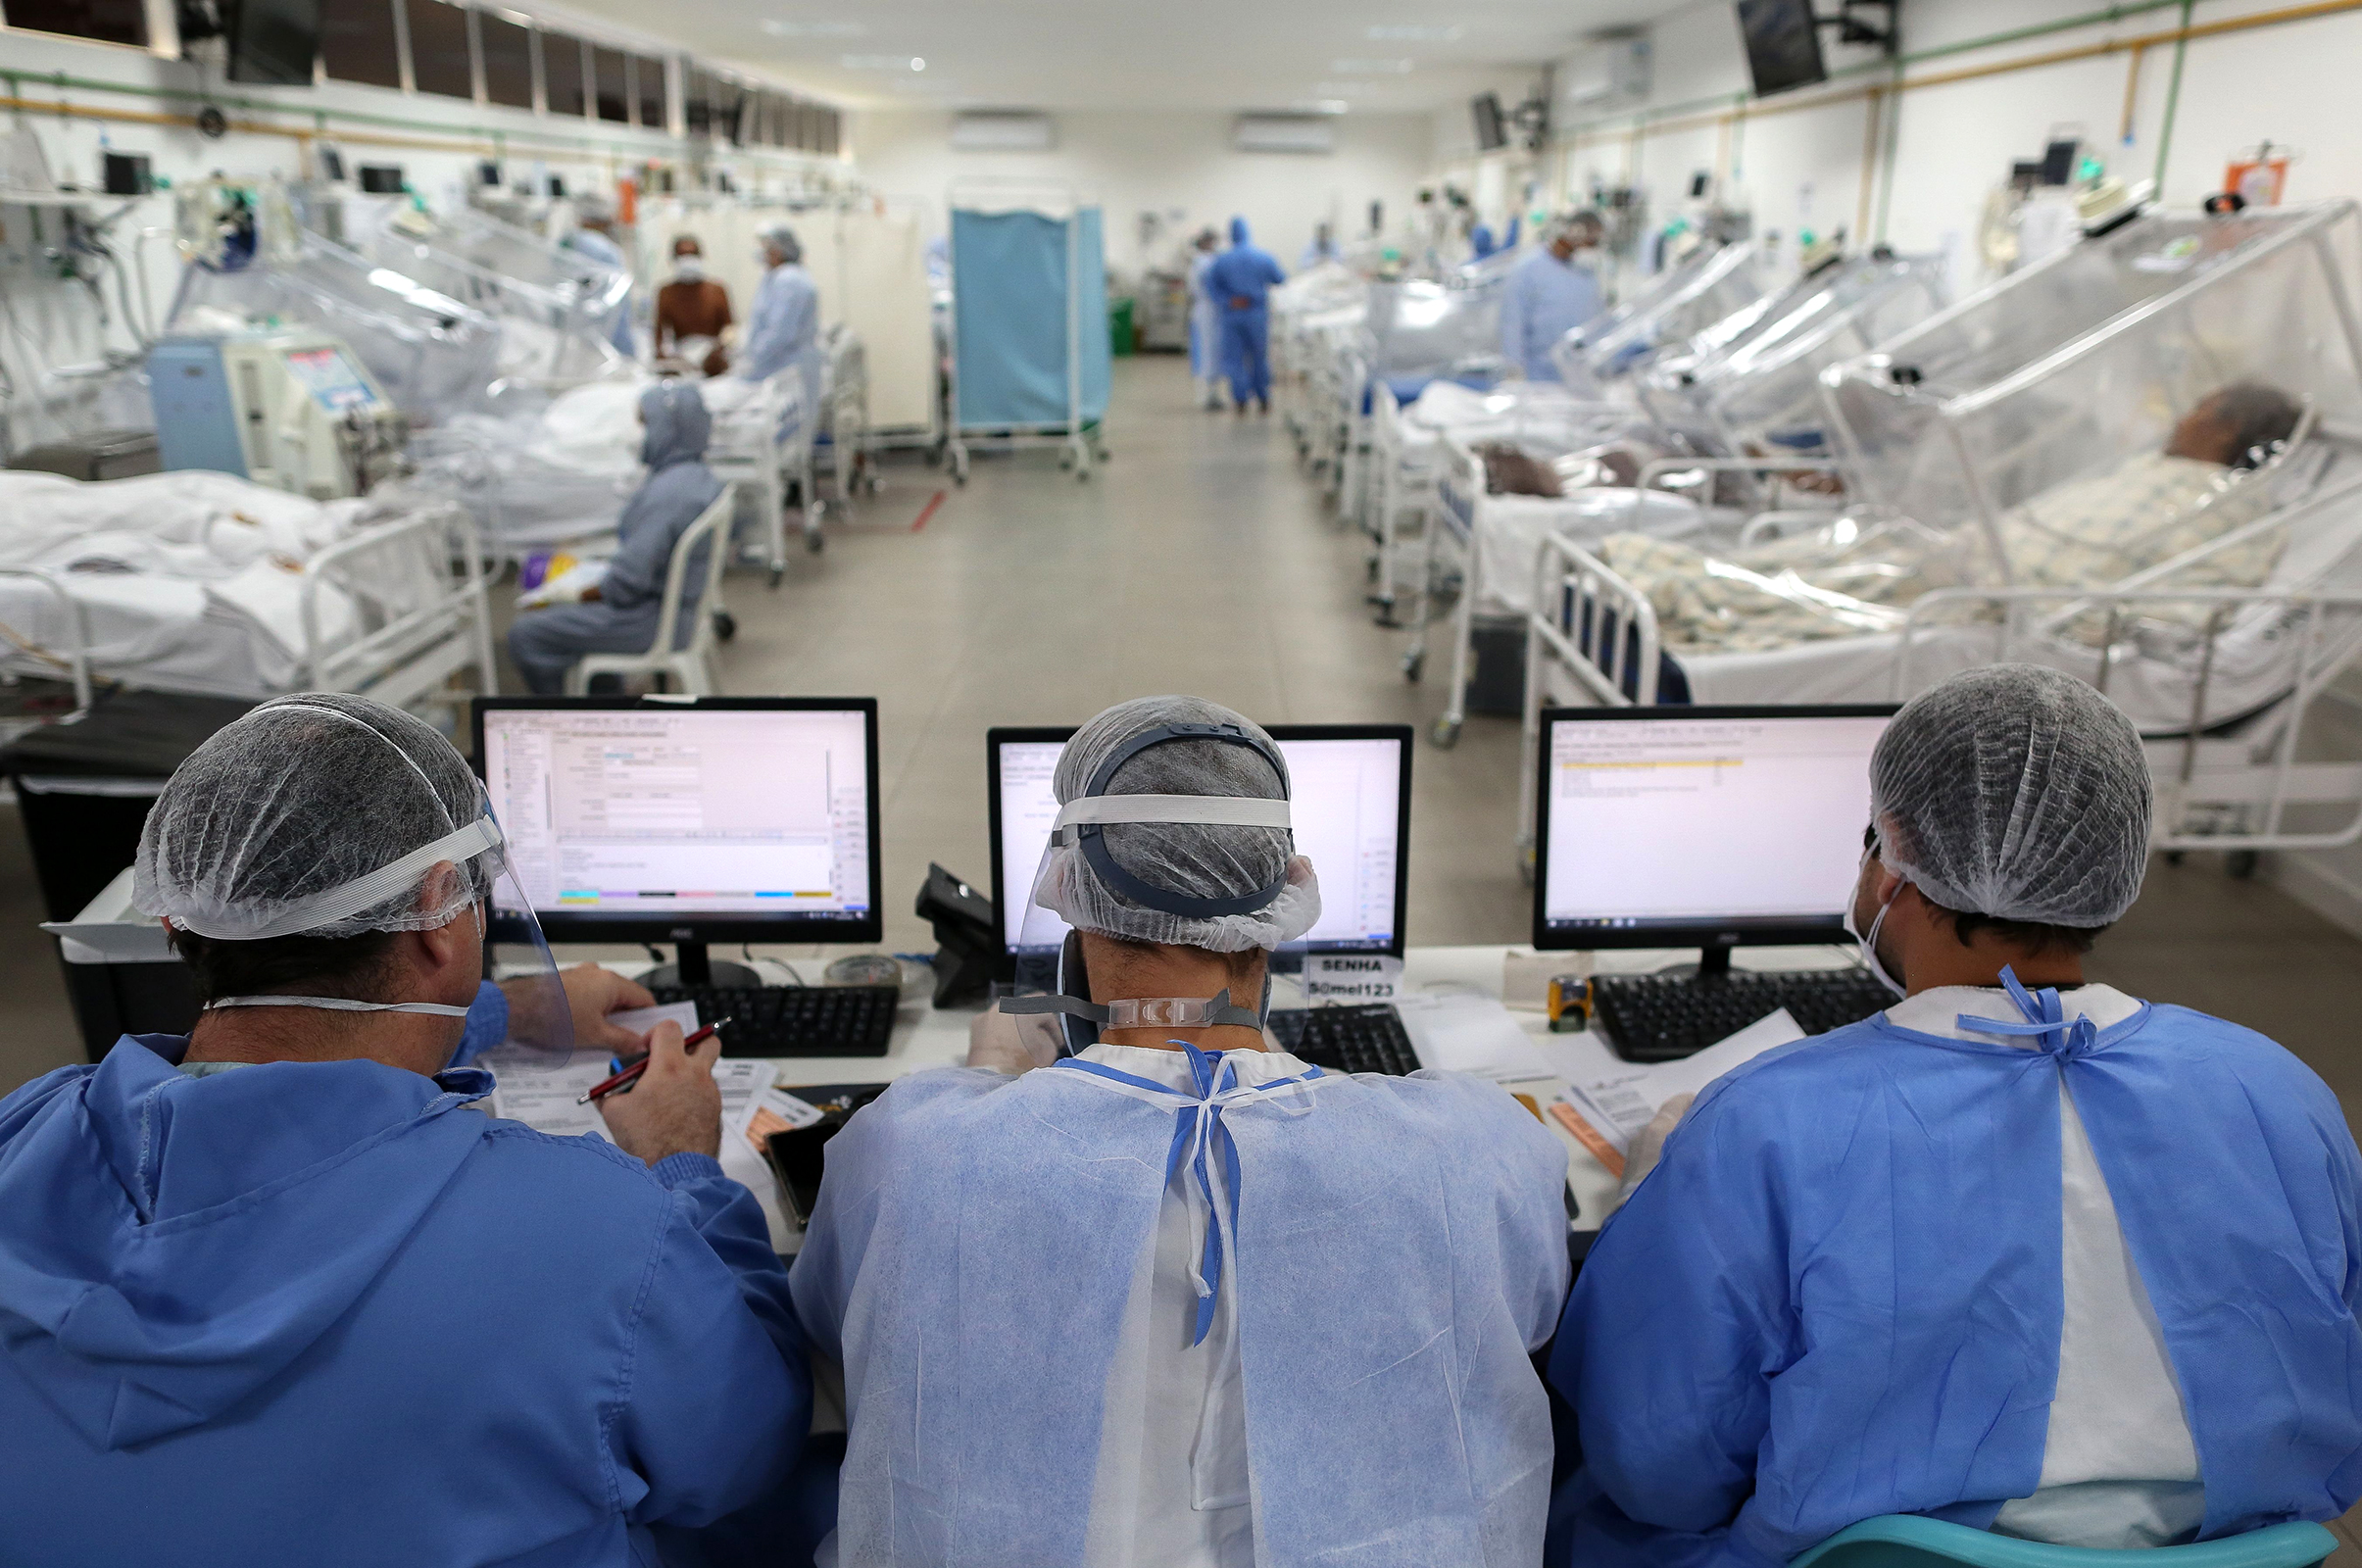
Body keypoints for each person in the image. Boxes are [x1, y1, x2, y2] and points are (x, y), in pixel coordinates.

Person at [1550, 664, 2362, 1568]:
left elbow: (1655, 1464)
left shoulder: (1761, 1125)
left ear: (1892, 850)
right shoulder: (2276, 1089)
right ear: (2112, 863)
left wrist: (1666, 1189)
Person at [0, 693, 812, 1566]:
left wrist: (503, 1012)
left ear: (181, 909)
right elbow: (746, 1456)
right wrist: (686, 1168)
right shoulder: (600, 1233)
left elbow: (288, 1060)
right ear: (439, 911)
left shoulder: (25, 1130)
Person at [791, 696, 1570, 1568]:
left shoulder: (910, 1151)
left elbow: (831, 1320)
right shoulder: (1477, 1149)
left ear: (1071, 900)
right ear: (1288, 893)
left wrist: (994, 1091)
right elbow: (1536, 1314)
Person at [509, 381, 722, 695]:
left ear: (667, 428)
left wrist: (576, 595)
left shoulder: (666, 496)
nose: (638, 436)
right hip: (678, 611)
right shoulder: (696, 476)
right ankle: (606, 697)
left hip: (650, 622)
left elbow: (627, 583)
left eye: (644, 425)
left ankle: (561, 718)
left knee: (527, 634)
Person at [1500, 211, 1605, 381]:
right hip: (1537, 377)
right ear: (1575, 234)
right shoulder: (1528, 271)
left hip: (1579, 378)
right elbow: (1512, 324)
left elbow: (1597, 321)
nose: (1594, 248)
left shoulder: (1586, 275)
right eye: (1592, 241)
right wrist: (1514, 369)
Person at [739, 220, 823, 423]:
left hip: (784, 368)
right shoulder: (782, 278)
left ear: (778, 251)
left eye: (767, 247)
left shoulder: (788, 280)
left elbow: (780, 333)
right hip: (784, 368)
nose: (763, 253)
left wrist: (751, 361)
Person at [1205, 217, 1287, 414]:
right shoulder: (1263, 257)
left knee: (1234, 358)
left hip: (1232, 314)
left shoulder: (1221, 261)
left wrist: (1227, 300)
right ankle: (1263, 398)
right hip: (1256, 314)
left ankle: (1240, 400)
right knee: (1259, 356)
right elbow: (1281, 279)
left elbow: (1210, 287)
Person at [566, 192, 637, 358]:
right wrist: (627, 352)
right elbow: (617, 307)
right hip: (603, 344)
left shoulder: (567, 242)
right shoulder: (606, 251)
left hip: (571, 342)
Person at [654, 232, 734, 376]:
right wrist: (664, 355)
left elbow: (729, 329)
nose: (687, 260)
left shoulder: (717, 290)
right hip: (682, 357)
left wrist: (720, 349)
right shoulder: (665, 292)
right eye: (682, 255)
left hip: (713, 357)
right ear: (674, 259)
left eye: (692, 255)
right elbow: (659, 333)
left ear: (701, 257)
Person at [1187, 226, 1225, 412]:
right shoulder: (1200, 262)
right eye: (1209, 241)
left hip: (1214, 309)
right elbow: (1197, 287)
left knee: (1213, 351)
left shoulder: (1212, 260)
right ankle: (1207, 395)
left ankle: (1213, 393)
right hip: (1206, 309)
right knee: (1206, 351)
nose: (1212, 245)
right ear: (1203, 243)